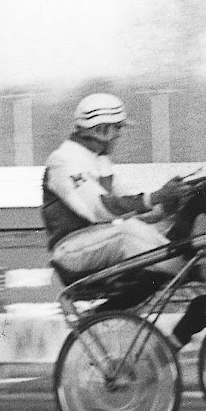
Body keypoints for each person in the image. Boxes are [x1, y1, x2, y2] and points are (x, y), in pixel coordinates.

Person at [42, 93, 188, 293]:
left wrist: (170, 202)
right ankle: (188, 269)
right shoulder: (63, 160)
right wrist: (156, 196)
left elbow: (137, 208)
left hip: (98, 241)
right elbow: (100, 208)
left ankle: (185, 264)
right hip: (71, 251)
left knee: (141, 226)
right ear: (100, 129)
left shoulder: (101, 161)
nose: (120, 134)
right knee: (129, 231)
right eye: (117, 127)